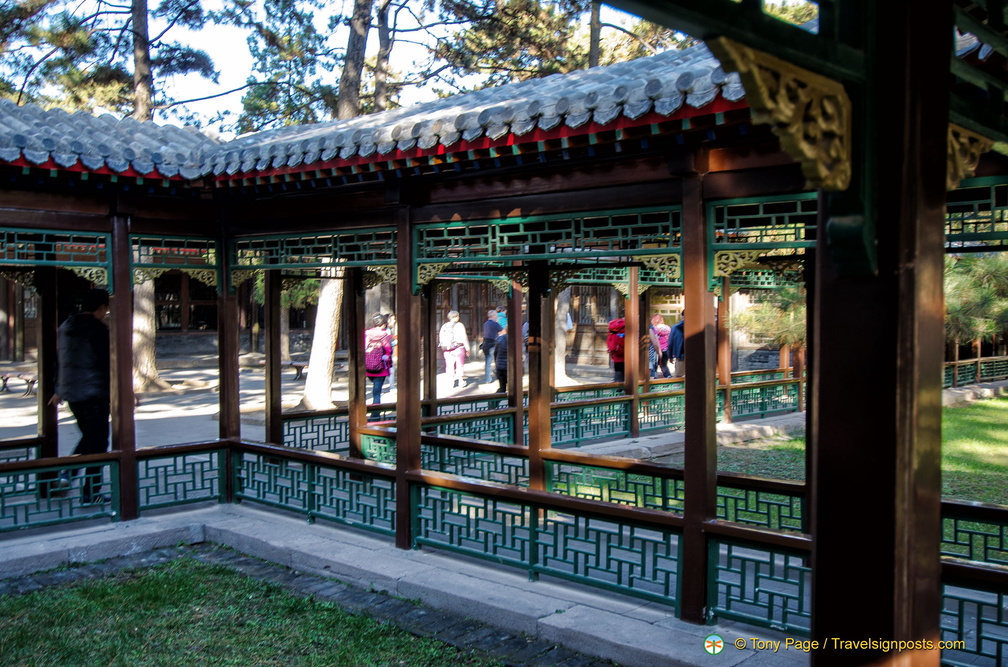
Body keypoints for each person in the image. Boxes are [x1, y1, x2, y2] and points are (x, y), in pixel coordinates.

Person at [49, 288, 111, 505]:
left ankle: (70, 477)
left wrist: (58, 389)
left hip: (72, 393)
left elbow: (58, 359)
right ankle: (88, 491)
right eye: (105, 309)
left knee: (89, 438)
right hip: (95, 392)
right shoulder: (98, 329)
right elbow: (106, 364)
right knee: (99, 442)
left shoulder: (65, 327)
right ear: (101, 308)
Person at [364, 314, 393, 419]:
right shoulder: (384, 335)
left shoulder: (367, 334)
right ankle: (375, 415)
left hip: (368, 366)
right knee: (377, 392)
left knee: (374, 390)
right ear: (383, 324)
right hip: (381, 368)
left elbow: (364, 347)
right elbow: (388, 349)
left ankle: (366, 413)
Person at [438, 310, 469, 388]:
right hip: (458, 348)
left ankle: (451, 382)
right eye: (458, 316)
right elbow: (464, 337)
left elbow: (441, 337)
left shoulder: (444, 326)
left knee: (449, 365)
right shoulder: (459, 325)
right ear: (455, 317)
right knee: (459, 365)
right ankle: (461, 382)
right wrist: (468, 348)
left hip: (447, 349)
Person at [480, 310, 502, 384]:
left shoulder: (485, 324)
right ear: (494, 316)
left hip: (486, 344)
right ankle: (499, 376)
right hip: (494, 344)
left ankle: (487, 379)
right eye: (496, 315)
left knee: (488, 363)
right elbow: (502, 331)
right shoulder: (495, 324)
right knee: (498, 361)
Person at [649, 313, 672, 379]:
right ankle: (668, 375)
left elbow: (655, 340)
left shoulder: (655, 328)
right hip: (667, 348)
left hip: (658, 349)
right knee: (664, 364)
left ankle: (654, 376)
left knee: (655, 364)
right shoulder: (668, 328)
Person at [606, 317, 626, 382]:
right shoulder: (624, 333)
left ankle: (617, 390)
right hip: (625, 358)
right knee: (625, 378)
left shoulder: (613, 332)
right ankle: (620, 390)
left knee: (618, 376)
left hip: (616, 358)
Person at [669, 311, 685, 378]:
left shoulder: (675, 327)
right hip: (696, 357)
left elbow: (670, 343)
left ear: (682, 317)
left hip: (680, 356)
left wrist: (670, 356)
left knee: (679, 378)